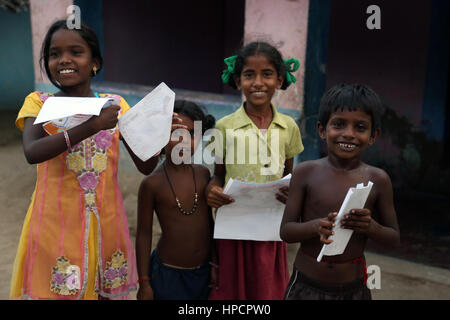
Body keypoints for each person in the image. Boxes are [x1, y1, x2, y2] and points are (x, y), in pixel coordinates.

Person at [10, 20, 184, 300]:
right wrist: (92, 125)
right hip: (53, 225)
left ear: (95, 62)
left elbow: (146, 165)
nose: (64, 60)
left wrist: (161, 135)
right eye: (55, 54)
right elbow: (32, 151)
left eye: (76, 52)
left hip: (107, 224)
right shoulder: (39, 102)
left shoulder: (115, 105)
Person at [280, 83, 400, 300]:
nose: (349, 134)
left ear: (373, 136)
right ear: (322, 130)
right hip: (305, 285)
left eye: (360, 128)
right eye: (339, 124)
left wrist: (370, 227)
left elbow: (393, 238)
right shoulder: (306, 172)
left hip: (352, 289)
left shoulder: (378, 180)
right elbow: (286, 231)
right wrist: (316, 226)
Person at [205, 41, 304, 300]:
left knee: (267, 289)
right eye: (249, 75)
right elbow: (218, 173)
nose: (258, 82)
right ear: (238, 82)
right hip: (234, 225)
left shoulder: (289, 127)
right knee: (232, 288)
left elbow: (288, 176)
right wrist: (212, 189)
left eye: (267, 74)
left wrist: (292, 194)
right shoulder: (224, 126)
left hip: (270, 228)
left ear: (280, 80)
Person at [136, 100, 217, 300]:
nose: (184, 141)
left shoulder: (203, 174)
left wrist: (215, 264)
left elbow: (210, 224)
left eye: (191, 134)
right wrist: (144, 282)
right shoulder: (152, 184)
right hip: (167, 275)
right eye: (176, 134)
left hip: (203, 273)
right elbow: (144, 234)